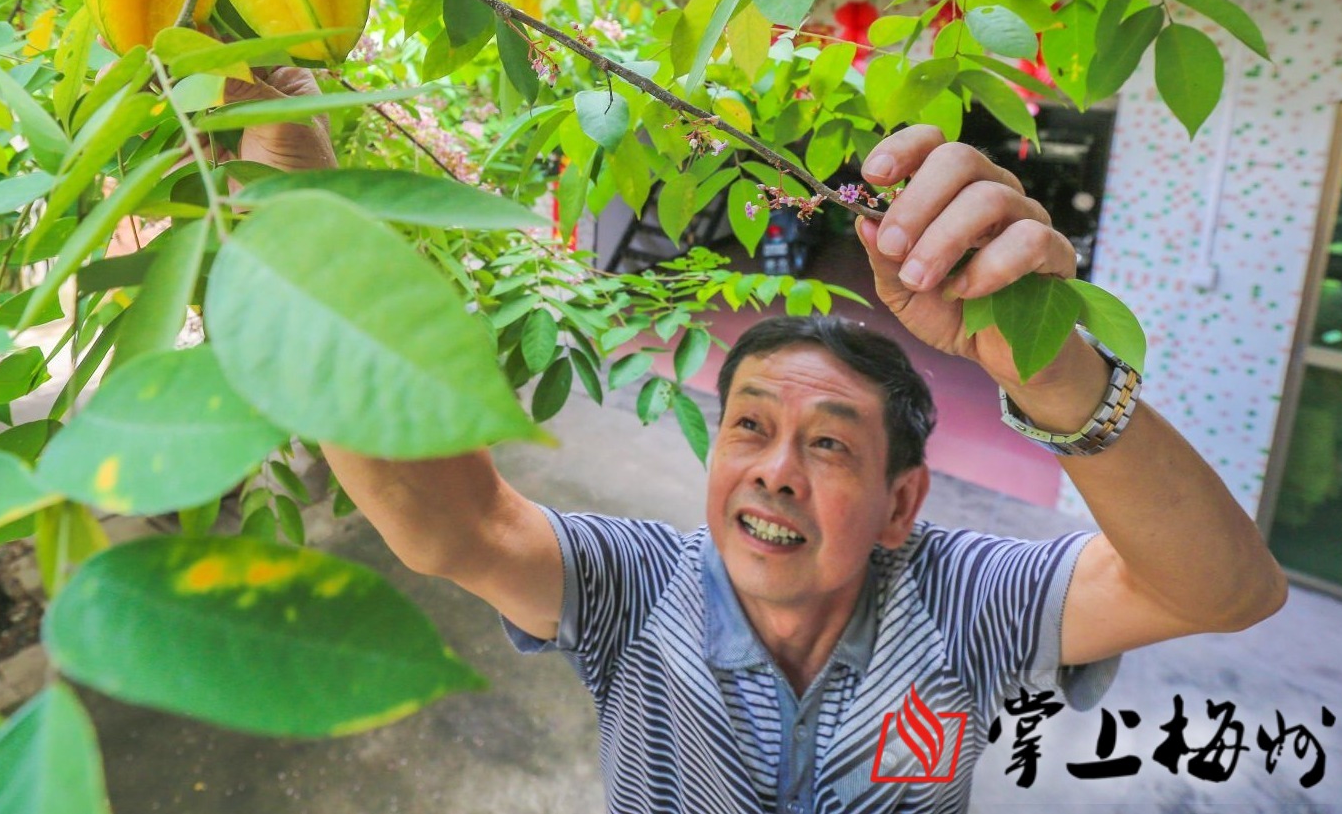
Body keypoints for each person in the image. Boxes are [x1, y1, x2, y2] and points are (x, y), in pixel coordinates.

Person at [233, 70, 1289, 813]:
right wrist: (285, 181)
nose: (775, 466)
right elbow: (449, 520)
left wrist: (1056, 367)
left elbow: (1222, 588)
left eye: (831, 446)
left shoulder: (962, 598)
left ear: (901, 503)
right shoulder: (640, 585)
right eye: (748, 425)